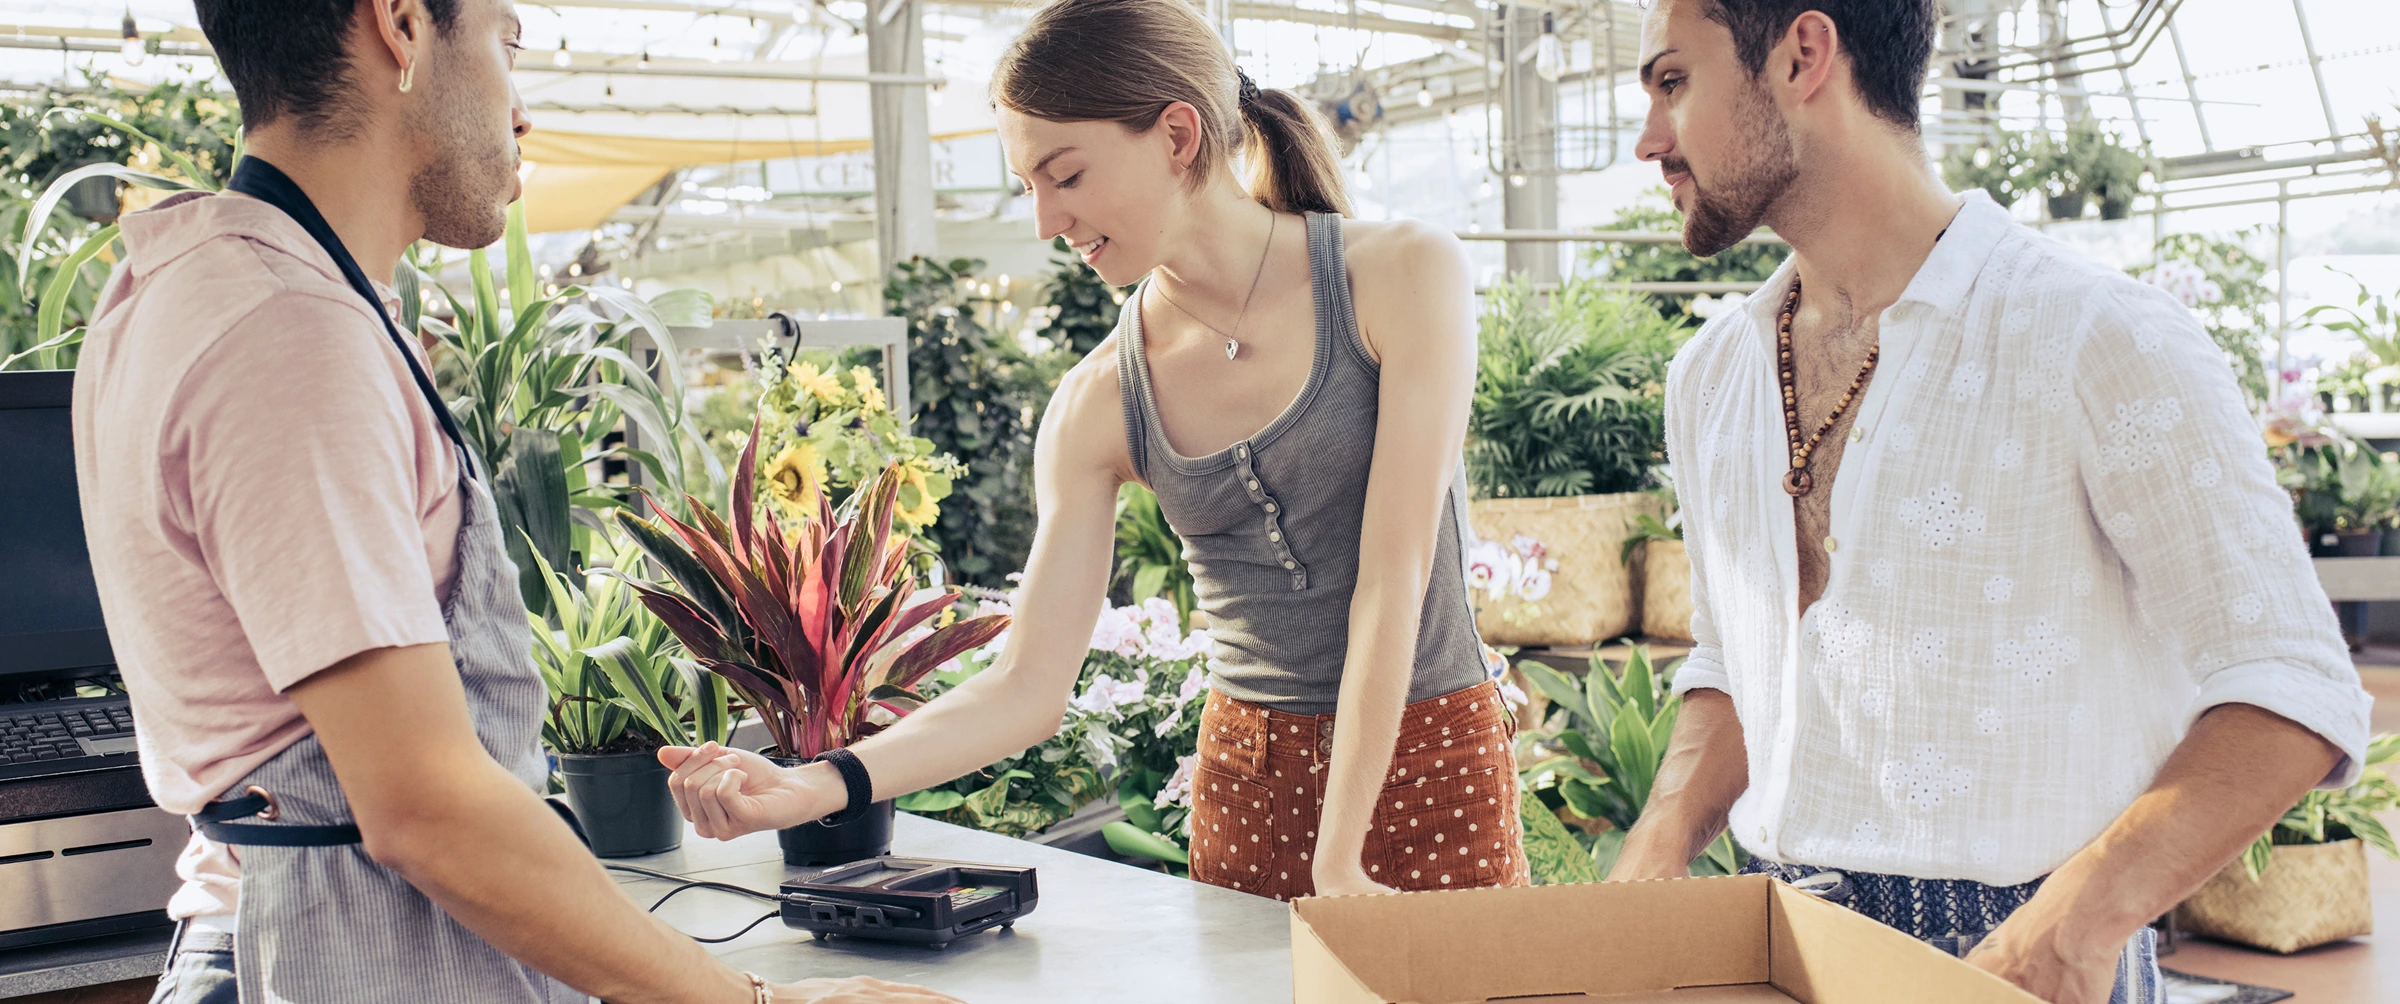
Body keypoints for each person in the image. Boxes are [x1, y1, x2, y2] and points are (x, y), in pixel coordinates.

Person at [71, 1, 961, 1002]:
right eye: (508, 43)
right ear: (402, 26)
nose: (524, 111)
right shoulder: (288, 334)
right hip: (333, 954)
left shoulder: (191, 285)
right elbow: (426, 809)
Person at [660, 0, 1526, 902]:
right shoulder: (1099, 399)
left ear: (1178, 134)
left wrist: (1338, 853)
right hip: (1249, 785)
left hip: (1434, 756)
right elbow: (1027, 687)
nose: (1044, 221)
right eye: (1025, 186)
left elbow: (1399, 570)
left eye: (1064, 175)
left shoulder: (1398, 274)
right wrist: (816, 783)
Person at [1605, 2, 2374, 1002]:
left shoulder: (2097, 336)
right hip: (1775, 945)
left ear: (1802, 55)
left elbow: (2293, 688)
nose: (1648, 139)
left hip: (2017, 954)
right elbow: (1731, 658)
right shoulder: (1713, 376)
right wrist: (1658, 843)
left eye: (1673, 82)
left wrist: (2067, 926)